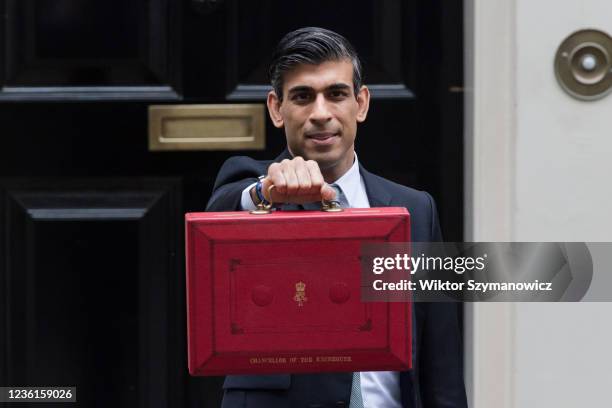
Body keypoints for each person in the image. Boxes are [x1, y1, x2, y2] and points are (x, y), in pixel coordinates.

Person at [206, 27, 467, 408]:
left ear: (360, 103)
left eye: (336, 94)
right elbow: (219, 214)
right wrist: (267, 192)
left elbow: (439, 357)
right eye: (302, 97)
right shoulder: (250, 187)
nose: (321, 113)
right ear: (276, 109)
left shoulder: (416, 209)